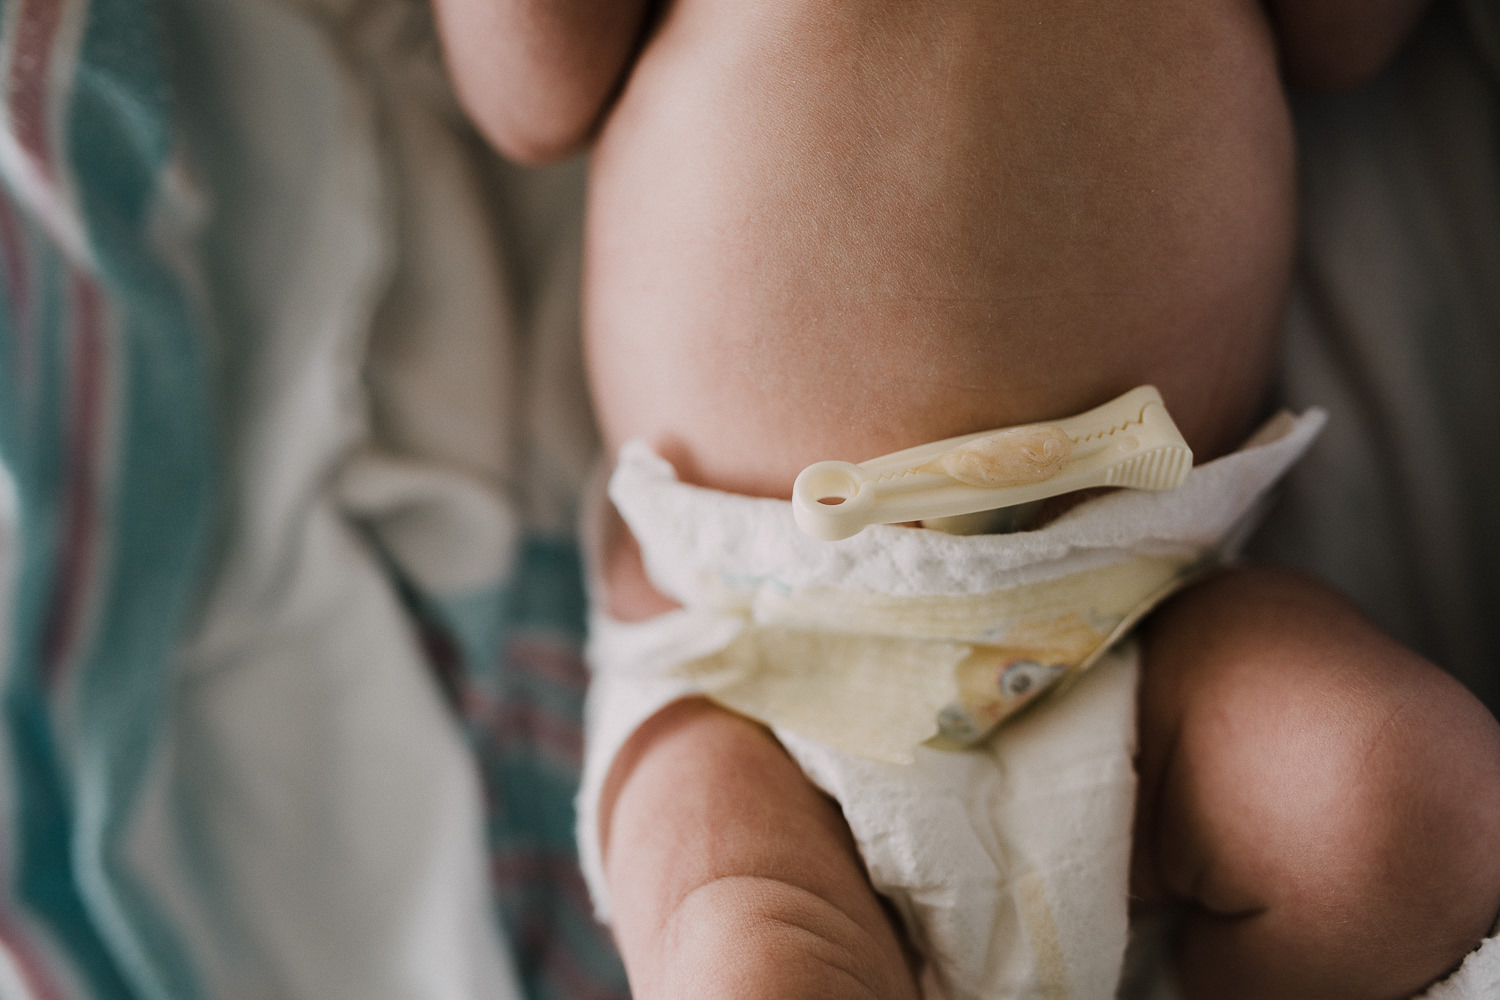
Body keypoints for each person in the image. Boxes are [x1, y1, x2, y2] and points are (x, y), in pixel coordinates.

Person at [431, 0, 1500, 996]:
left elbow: (1346, 34)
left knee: (1405, 806)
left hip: (1144, 620)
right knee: (754, 961)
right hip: (759, 667)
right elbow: (531, 94)